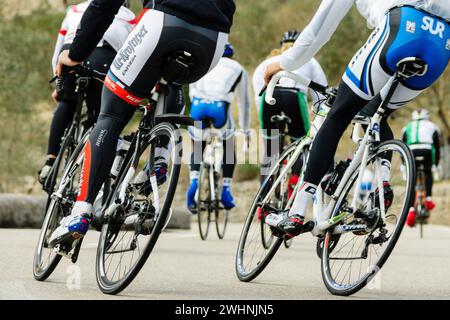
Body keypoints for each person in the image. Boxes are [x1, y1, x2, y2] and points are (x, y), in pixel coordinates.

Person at [49, 0, 236, 247]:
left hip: (162, 22)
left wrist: (75, 54)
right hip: (214, 40)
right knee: (172, 83)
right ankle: (157, 159)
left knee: (111, 116)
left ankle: (80, 212)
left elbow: (104, 4)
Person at [264, 0, 450, 237]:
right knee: (378, 115)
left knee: (339, 114)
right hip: (441, 44)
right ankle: (382, 188)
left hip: (402, 26)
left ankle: (296, 212)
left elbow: (318, 32)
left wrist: (284, 63)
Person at [38, 1, 136, 184]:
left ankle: (50, 161)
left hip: (69, 53)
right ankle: (90, 171)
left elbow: (58, 49)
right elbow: (131, 49)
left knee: (66, 102)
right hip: (104, 57)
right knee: (101, 117)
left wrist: (58, 85)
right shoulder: (129, 17)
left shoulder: (73, 10)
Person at [253, 30, 328, 195]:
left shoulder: (269, 61)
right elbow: (322, 91)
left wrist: (263, 111)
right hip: (293, 97)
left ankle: (262, 198)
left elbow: (258, 91)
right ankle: (294, 179)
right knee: (300, 141)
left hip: (269, 99)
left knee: (271, 149)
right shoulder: (309, 59)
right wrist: (319, 114)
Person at [186, 43, 251, 212]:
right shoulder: (238, 68)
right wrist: (245, 130)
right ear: (232, 55)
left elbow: (191, 91)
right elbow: (244, 104)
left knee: (198, 147)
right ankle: (226, 191)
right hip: (219, 109)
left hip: (198, 107)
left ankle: (193, 183)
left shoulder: (206, 62)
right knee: (229, 147)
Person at [402, 108, 441, 226]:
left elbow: (402, 146)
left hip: (411, 151)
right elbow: (437, 147)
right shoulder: (432, 126)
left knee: (411, 182)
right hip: (427, 151)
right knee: (428, 173)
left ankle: (411, 211)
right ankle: (428, 199)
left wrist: (404, 165)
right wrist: (436, 164)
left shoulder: (406, 127)